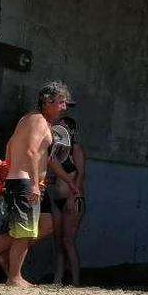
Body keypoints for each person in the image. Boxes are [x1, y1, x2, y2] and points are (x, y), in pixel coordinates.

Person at [0, 81, 71, 288]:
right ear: (47, 102)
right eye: (61, 103)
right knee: (24, 232)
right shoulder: (39, 121)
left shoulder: (28, 119)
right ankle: (14, 277)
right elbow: (31, 151)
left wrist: (10, 169)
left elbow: (10, 145)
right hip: (26, 182)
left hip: (20, 180)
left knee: (42, 225)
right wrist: (34, 183)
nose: (64, 107)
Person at [50, 117, 86, 286]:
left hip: (73, 199)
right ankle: (58, 280)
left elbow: (80, 173)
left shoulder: (75, 149)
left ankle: (76, 281)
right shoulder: (56, 150)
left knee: (68, 241)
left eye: (63, 128)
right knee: (58, 243)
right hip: (57, 198)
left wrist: (73, 196)